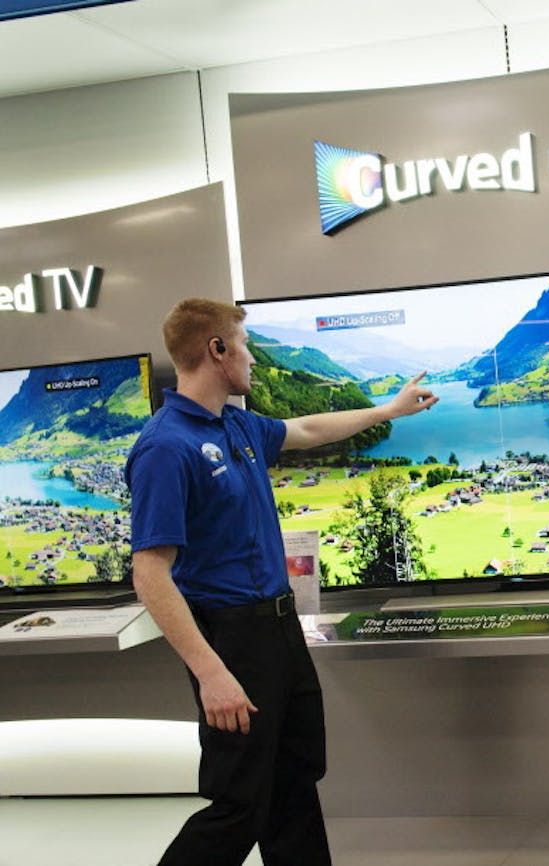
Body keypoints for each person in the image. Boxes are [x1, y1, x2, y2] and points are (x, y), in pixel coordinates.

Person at [125, 298, 438, 866]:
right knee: (239, 803)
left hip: (277, 629)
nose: (252, 361)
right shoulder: (165, 447)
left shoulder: (236, 423)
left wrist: (388, 410)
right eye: (244, 348)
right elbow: (150, 574)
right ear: (217, 351)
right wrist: (211, 673)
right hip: (231, 640)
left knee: (294, 782)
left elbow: (308, 427)